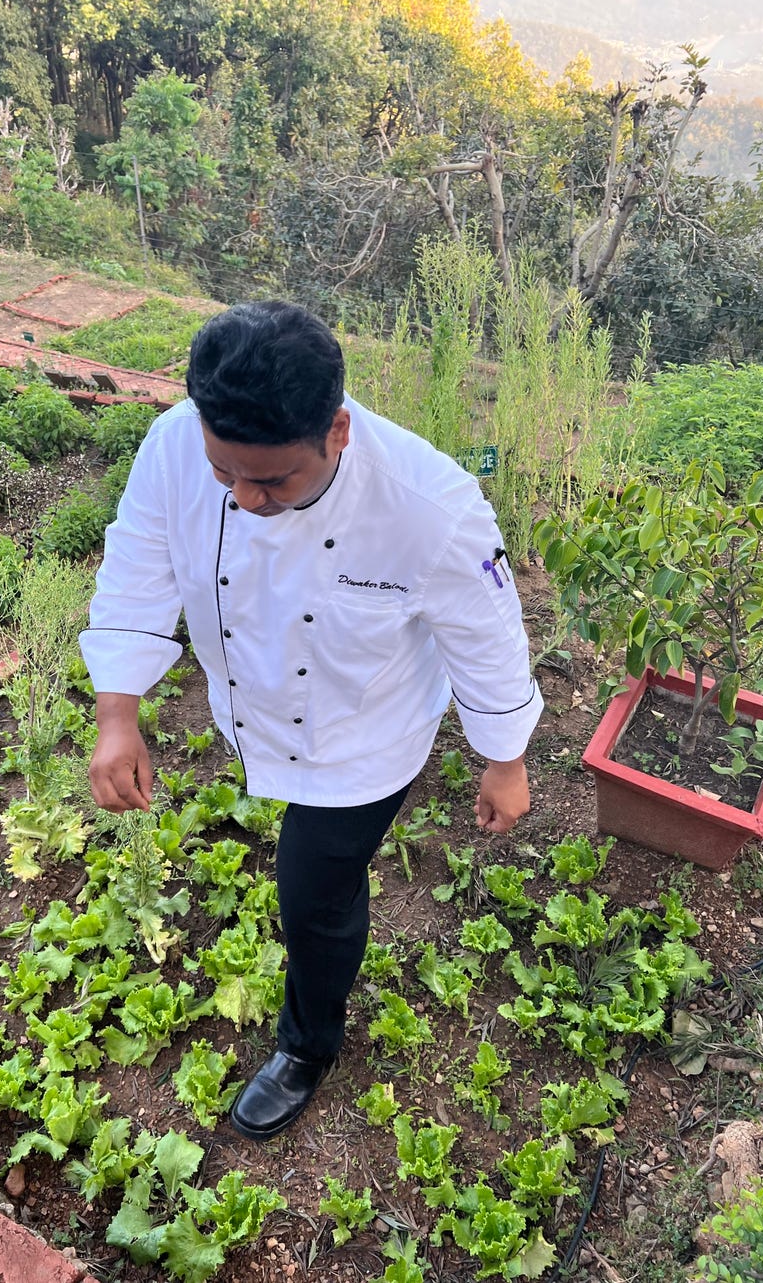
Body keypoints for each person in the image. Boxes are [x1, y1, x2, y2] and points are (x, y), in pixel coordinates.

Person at [79, 301, 543, 1141]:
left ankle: (307, 1045)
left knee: (315, 895)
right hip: (248, 703)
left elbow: (488, 634)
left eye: (273, 481)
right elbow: (139, 562)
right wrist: (119, 711)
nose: (246, 499)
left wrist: (503, 758)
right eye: (228, 476)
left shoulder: (430, 502)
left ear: (337, 429)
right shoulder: (178, 443)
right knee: (295, 863)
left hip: (364, 733)